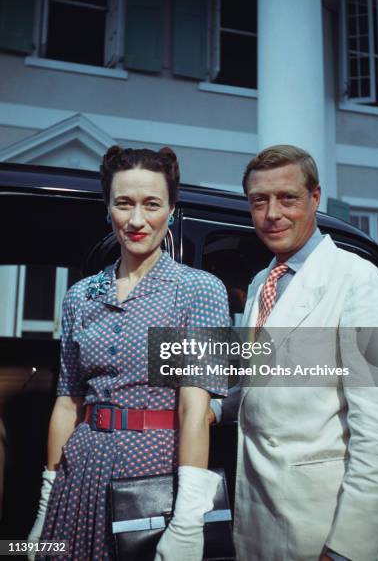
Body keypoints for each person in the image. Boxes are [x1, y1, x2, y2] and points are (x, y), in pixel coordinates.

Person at [27, 145, 230, 560]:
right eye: (124, 203)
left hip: (154, 477)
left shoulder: (197, 291)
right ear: (108, 209)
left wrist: (189, 522)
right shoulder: (81, 297)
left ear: (171, 209)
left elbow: (195, 410)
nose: (137, 220)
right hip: (79, 475)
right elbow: (68, 403)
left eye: (151, 204)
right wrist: (45, 505)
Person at [213, 145, 378, 561]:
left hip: (323, 527)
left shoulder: (362, 282)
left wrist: (350, 548)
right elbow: (260, 384)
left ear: (315, 197)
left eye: (287, 198)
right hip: (261, 515)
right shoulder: (263, 281)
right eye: (259, 200)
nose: (272, 213)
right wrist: (210, 408)